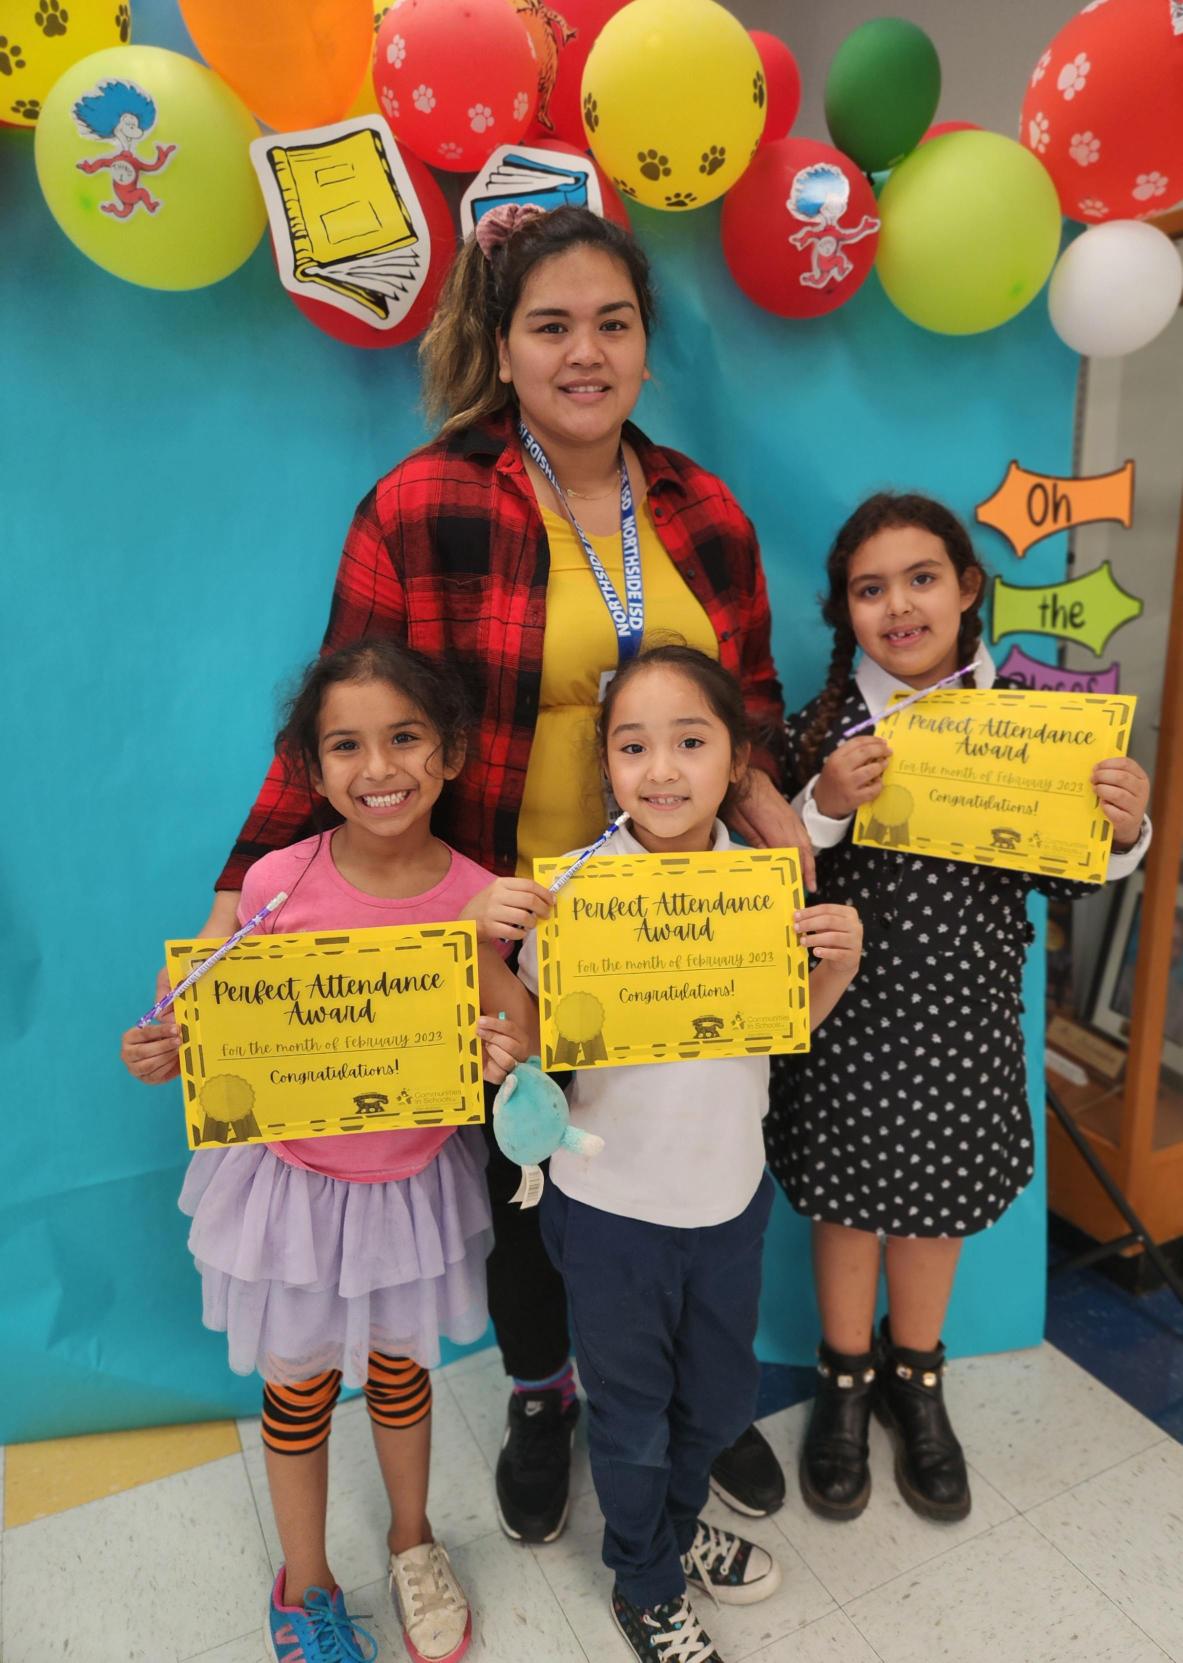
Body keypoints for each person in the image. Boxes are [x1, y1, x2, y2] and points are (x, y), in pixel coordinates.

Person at [174, 204, 807, 1540]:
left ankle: (706, 1396)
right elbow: (348, 720)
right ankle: (541, 1390)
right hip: (506, 918)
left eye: (612, 324)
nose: (585, 352)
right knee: (527, 1173)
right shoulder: (421, 501)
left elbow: (749, 704)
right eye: (550, 326)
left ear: (644, 345)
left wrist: (782, 826)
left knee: (697, 1162)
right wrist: (242, 891)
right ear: (502, 347)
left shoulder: (706, 510)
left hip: (683, 920)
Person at [121, 640, 538, 1663]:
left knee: (402, 1374)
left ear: (449, 755)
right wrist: (161, 1047)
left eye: (403, 737)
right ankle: (303, 1576)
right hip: (294, 1186)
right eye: (345, 745)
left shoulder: (482, 892)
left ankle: (412, 1539)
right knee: (297, 1387)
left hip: (408, 1186)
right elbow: (204, 1021)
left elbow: (522, 1039)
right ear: (311, 769)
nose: (378, 766)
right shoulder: (274, 881)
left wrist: (500, 1033)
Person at [764, 493, 1152, 1525]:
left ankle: (914, 1379)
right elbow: (768, 879)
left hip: (968, 1020)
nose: (898, 606)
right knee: (847, 1206)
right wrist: (826, 803)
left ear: (968, 588)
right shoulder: (820, 725)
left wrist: (1123, 828)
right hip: (847, 1020)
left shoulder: (1034, 723)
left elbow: (1069, 882)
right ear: (844, 609)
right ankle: (843, 1381)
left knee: (935, 1208)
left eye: (921, 578)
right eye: (869, 588)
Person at [517, 645, 863, 1663]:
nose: (660, 770)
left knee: (714, 1401)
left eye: (688, 742)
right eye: (633, 747)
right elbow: (537, 1046)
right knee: (626, 1418)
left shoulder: (759, 887)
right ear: (607, 763)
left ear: (735, 759)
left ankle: (666, 1529)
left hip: (727, 1201)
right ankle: (645, 1580)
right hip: (612, 1209)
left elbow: (778, 1027)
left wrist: (833, 967)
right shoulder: (576, 887)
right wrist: (494, 956)